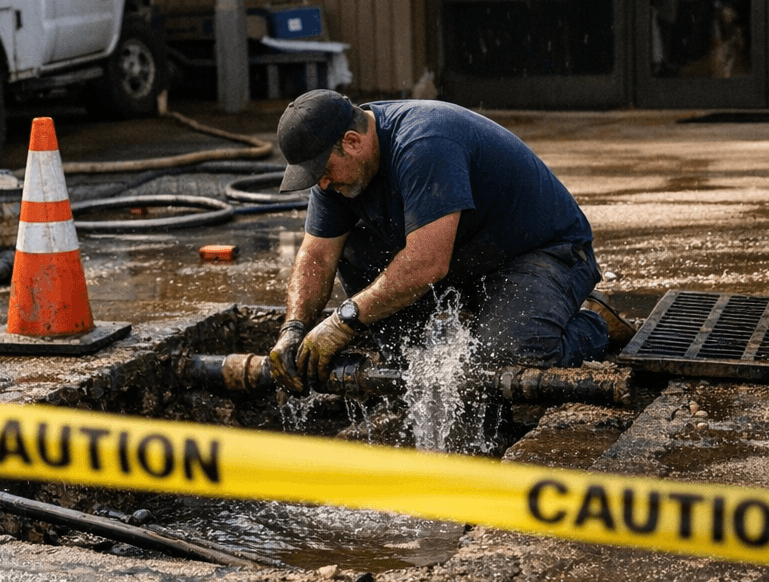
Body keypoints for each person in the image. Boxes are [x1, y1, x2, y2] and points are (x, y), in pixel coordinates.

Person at [267, 89, 626, 398]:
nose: (323, 185)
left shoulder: (424, 142)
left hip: (543, 251)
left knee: (502, 356)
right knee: (355, 253)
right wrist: (293, 328)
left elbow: (427, 264)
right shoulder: (337, 173)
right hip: (470, 256)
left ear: (352, 141)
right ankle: (413, 347)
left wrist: (343, 321)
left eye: (324, 172)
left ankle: (592, 323)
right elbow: (317, 254)